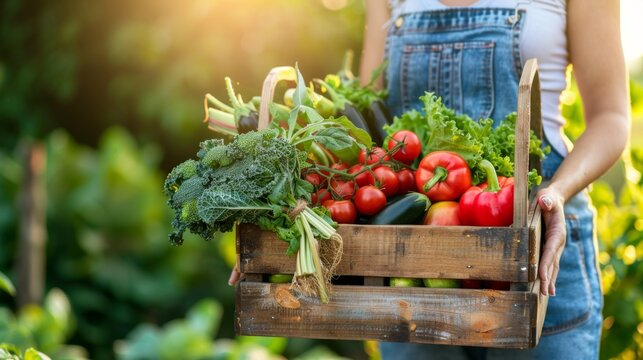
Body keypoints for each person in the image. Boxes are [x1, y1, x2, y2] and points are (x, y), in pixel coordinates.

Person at [360, 0, 630, 359]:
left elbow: (611, 118)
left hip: (540, 246)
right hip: (416, 257)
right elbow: (369, 107)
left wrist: (557, 192)